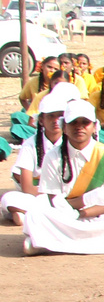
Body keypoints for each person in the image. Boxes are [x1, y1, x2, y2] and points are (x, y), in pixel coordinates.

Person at [21, 97, 104, 255]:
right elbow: (54, 201)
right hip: (64, 217)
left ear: (94, 127)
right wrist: (77, 208)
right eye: (73, 123)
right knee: (35, 215)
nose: (79, 127)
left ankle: (49, 243)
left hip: (99, 217)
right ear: (64, 127)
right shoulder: (53, 157)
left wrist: (81, 212)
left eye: (85, 123)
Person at [1, 84, 72, 223]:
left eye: (60, 116)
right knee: (9, 198)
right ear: (41, 120)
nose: (55, 121)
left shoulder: (72, 142)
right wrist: (53, 196)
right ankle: (43, 214)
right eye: (50, 116)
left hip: (67, 196)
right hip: (39, 196)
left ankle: (28, 216)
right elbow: (27, 188)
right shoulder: (30, 144)